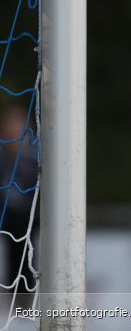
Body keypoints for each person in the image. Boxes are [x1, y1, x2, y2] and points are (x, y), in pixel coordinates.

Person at [0, 106, 39, 303]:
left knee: (30, 259)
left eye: (16, 124)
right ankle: (15, 304)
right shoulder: (3, 155)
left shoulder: (34, 156)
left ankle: (29, 303)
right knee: (11, 261)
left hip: (32, 221)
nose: (12, 128)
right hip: (8, 220)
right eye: (9, 124)